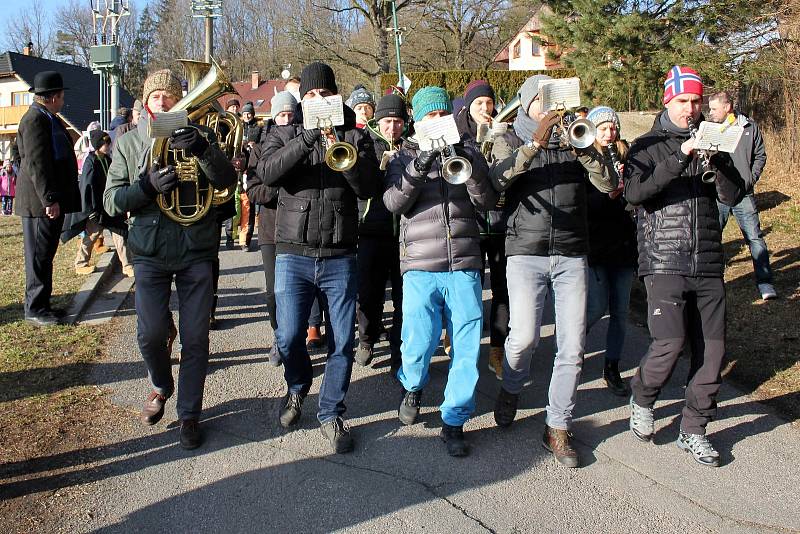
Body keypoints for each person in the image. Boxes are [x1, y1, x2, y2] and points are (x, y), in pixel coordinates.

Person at [103, 69, 237, 450]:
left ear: (180, 100)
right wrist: (146, 187)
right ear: (147, 103)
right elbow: (110, 201)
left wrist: (202, 150)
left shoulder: (203, 135)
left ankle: (189, 413)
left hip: (196, 249)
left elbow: (226, 180)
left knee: (196, 338)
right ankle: (161, 385)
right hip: (149, 252)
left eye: (170, 96)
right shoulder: (129, 144)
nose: (163, 102)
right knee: (149, 335)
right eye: (157, 97)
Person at [625, 66, 744, 468]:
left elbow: (732, 193)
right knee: (669, 344)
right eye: (683, 102)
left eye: (696, 101)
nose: (691, 109)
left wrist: (719, 159)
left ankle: (694, 429)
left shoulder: (713, 139)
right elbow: (636, 192)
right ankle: (643, 397)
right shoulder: (647, 145)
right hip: (664, 258)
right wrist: (682, 155)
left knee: (713, 353)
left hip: (708, 259)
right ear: (667, 102)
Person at [257, 62, 378, 453]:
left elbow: (368, 186)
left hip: (340, 253)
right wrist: (306, 139)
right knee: (290, 337)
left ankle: (331, 412)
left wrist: (338, 149)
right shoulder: (283, 132)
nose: (319, 100)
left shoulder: (354, 135)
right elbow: (268, 173)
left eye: (325, 94)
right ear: (302, 99)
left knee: (342, 340)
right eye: (311, 95)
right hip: (292, 251)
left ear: (336, 96)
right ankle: (297, 387)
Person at [385, 86, 495, 457]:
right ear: (417, 121)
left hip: (464, 261)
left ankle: (454, 419)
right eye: (429, 116)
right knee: (419, 339)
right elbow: (392, 202)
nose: (436, 122)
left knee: (466, 346)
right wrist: (420, 165)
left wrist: (470, 164)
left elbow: (487, 201)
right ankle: (412, 383)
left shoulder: (468, 150)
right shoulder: (402, 156)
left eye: (441, 115)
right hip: (419, 264)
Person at [489, 74, 592, 468]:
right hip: (525, 251)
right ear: (529, 103)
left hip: (570, 252)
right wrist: (535, 145)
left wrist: (585, 149)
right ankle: (511, 387)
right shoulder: (509, 139)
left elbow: (607, 183)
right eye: (543, 101)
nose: (551, 109)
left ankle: (558, 426)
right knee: (524, 338)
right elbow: (496, 183)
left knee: (572, 345)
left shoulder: (575, 139)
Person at [577, 106, 637, 396]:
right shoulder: (586, 160)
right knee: (596, 306)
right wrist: (608, 193)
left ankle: (612, 366)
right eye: (602, 129)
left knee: (621, 312)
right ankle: (572, 350)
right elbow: (583, 206)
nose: (609, 133)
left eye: (612, 128)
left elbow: (639, 198)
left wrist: (628, 189)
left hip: (624, 244)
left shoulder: (628, 156)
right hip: (596, 245)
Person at [454, 79, 510, 380]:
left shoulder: (504, 132)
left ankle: (497, 350)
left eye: (489, 103)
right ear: (468, 106)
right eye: (479, 104)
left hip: (500, 224)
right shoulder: (458, 136)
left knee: (502, 291)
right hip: (471, 224)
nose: (486, 109)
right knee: (469, 291)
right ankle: (460, 342)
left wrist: (500, 140)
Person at [15, 71, 81, 326]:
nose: (63, 101)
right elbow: (35, 163)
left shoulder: (46, 118)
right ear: (53, 97)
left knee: (45, 254)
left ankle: (43, 303)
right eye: (62, 96)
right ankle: (34, 308)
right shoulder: (34, 120)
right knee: (38, 257)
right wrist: (49, 198)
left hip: (46, 201)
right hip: (38, 205)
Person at [355, 93, 408, 371]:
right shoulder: (367, 143)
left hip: (405, 234)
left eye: (398, 121)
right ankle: (366, 339)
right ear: (378, 121)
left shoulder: (412, 145)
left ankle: (398, 351)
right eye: (388, 121)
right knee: (369, 294)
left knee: (403, 298)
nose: (393, 127)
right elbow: (362, 185)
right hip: (371, 229)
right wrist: (382, 166)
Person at [707, 91, 775, 300]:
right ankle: (711, 281)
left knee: (754, 237)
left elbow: (760, 156)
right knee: (712, 238)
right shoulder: (711, 129)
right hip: (718, 194)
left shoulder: (749, 127)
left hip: (744, 195)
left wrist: (749, 180)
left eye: (713, 109)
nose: (710, 113)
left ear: (727, 107)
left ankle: (765, 282)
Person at [247, 91, 297, 367]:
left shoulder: (304, 141)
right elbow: (254, 190)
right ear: (273, 117)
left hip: (300, 228)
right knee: (272, 291)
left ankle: (295, 338)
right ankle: (279, 337)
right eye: (281, 115)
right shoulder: (258, 148)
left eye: (290, 114)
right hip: (270, 229)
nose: (286, 120)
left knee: (297, 291)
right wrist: (279, 184)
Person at [62, 130, 132, 277]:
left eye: (108, 142)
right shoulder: (90, 161)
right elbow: (87, 186)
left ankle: (127, 265)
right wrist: (90, 208)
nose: (108, 145)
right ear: (98, 144)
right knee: (92, 235)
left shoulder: (108, 159)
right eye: (105, 143)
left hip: (111, 205)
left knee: (120, 234)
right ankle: (80, 264)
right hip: (97, 208)